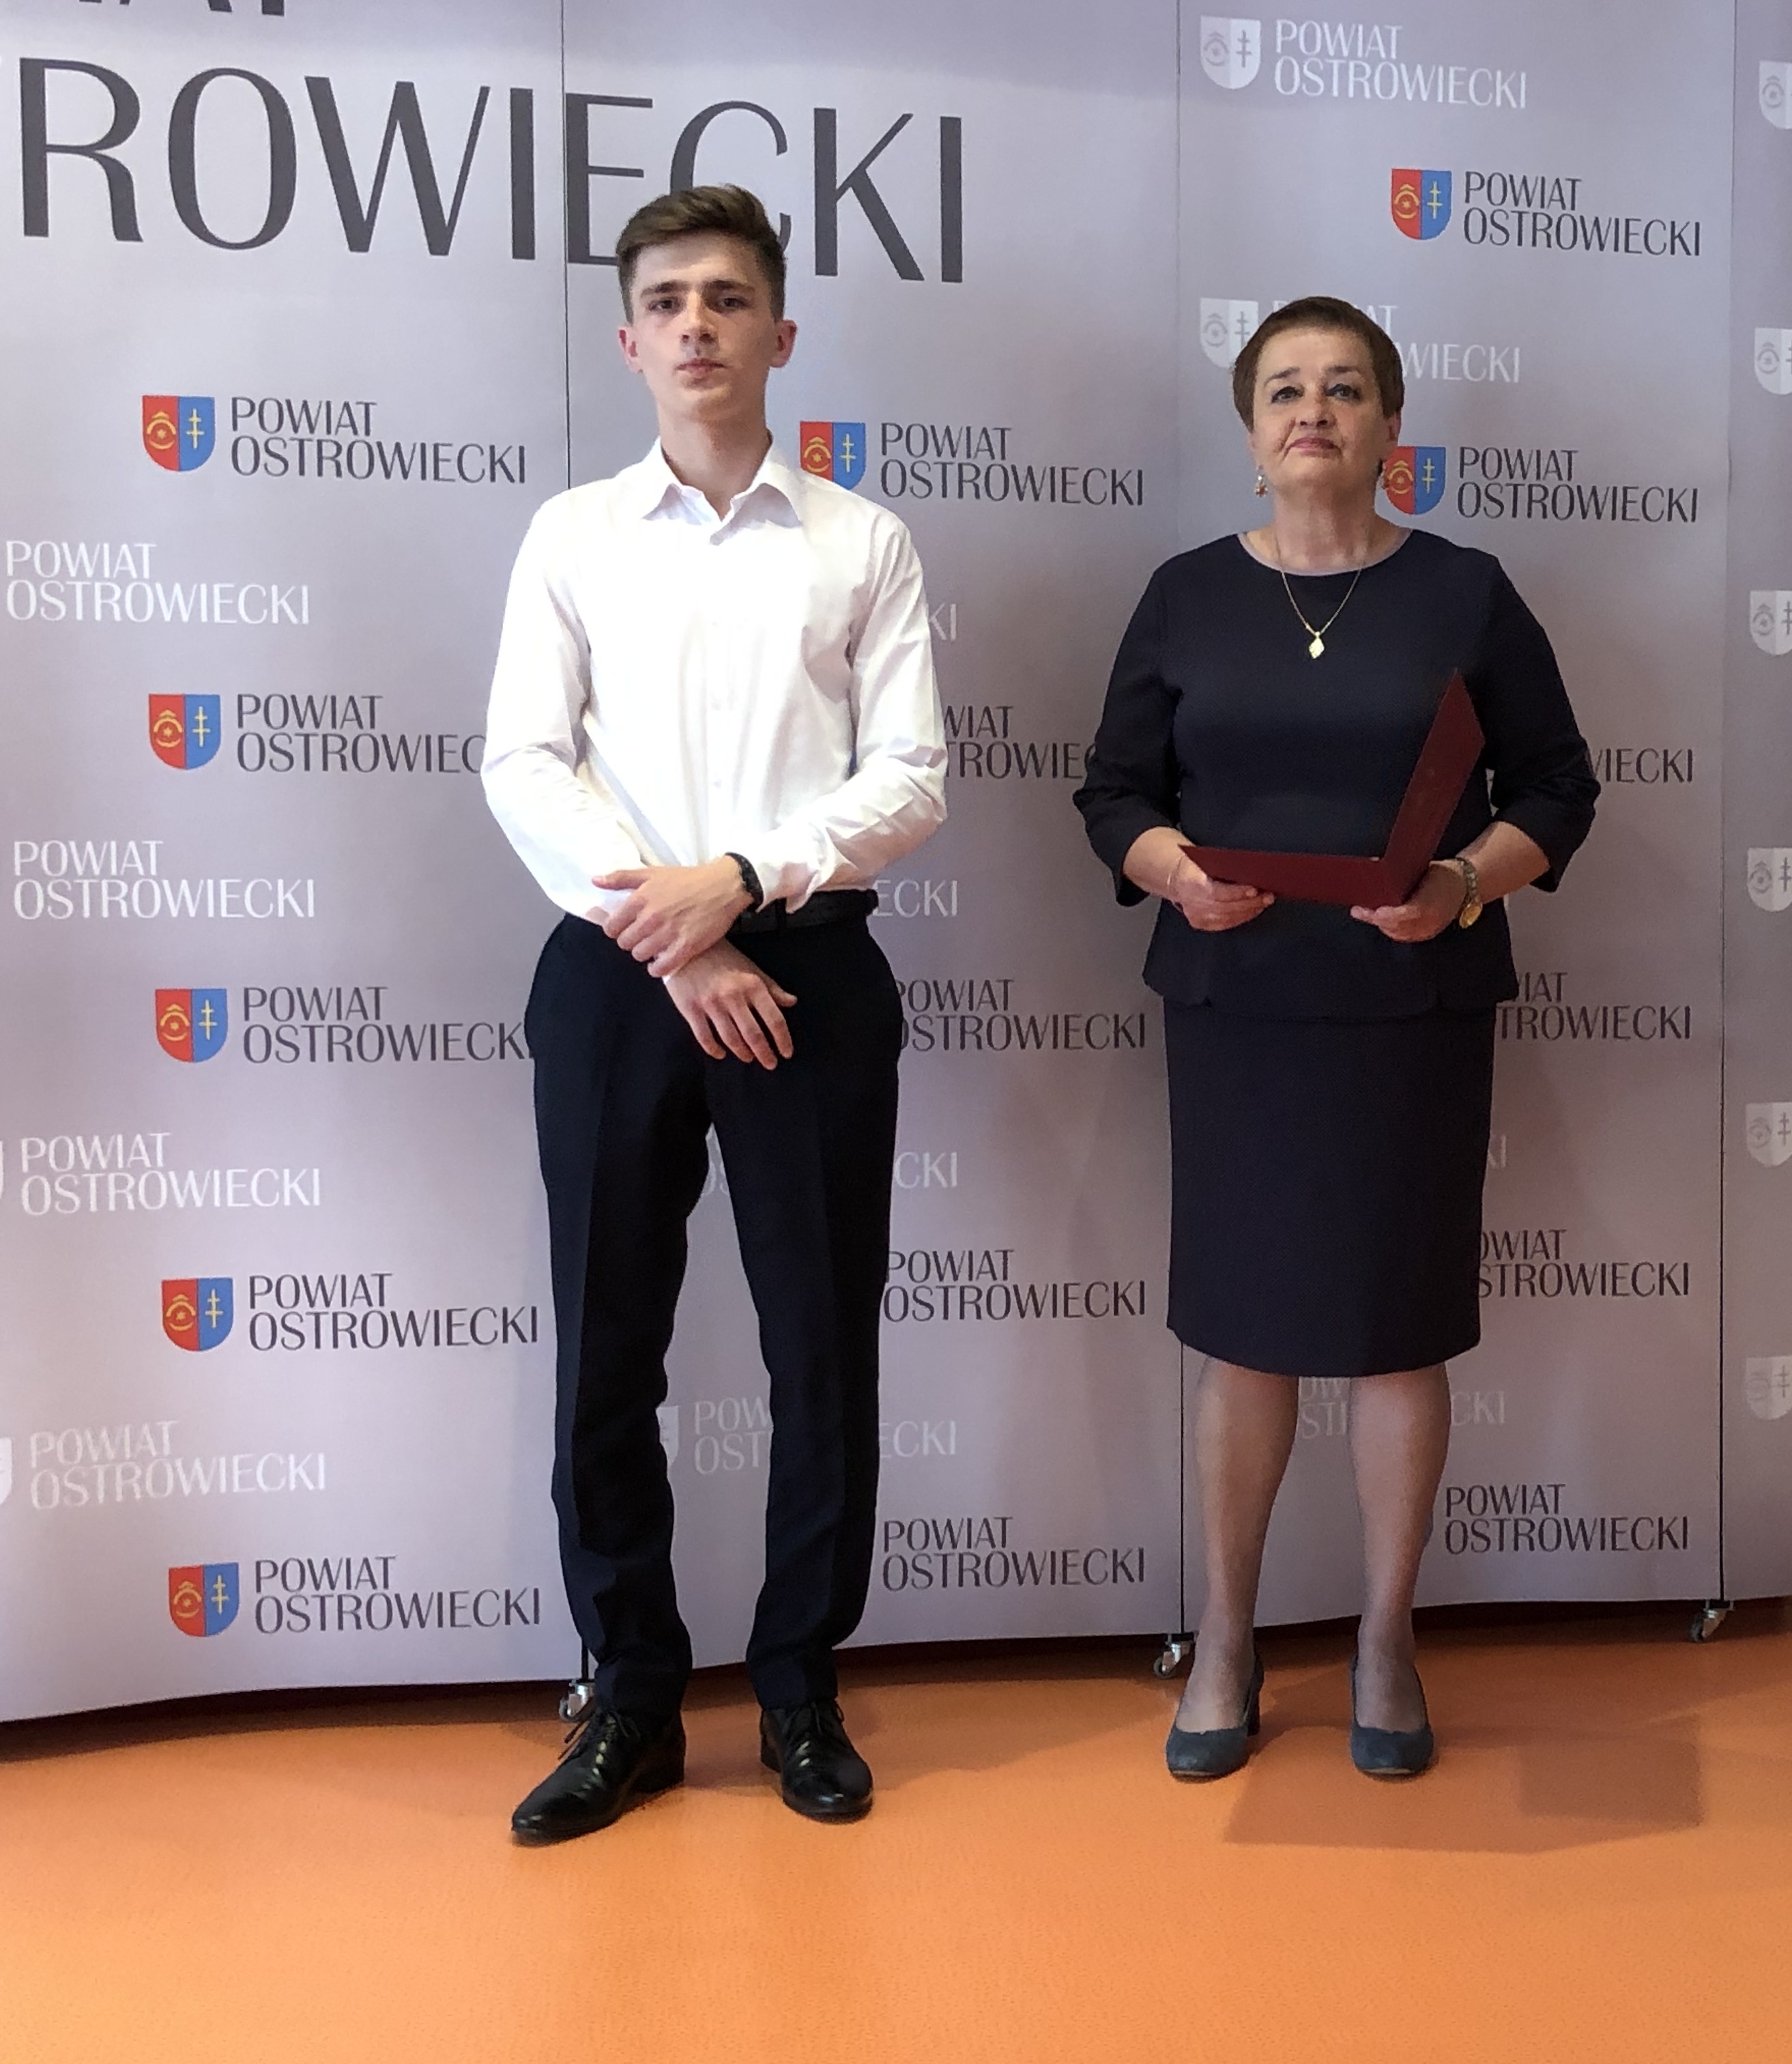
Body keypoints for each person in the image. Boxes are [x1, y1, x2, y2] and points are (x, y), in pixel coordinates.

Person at [1073, 297, 1598, 1782]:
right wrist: (1174, 871)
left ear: (1391, 427)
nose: (1315, 410)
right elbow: (1113, 794)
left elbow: (1558, 789)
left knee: (1393, 1332)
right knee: (1243, 1335)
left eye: (1347, 388)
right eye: (1287, 390)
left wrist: (1462, 886)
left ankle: (1384, 1636)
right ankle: (1226, 1642)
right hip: (1237, 1012)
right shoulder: (1184, 594)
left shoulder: (1466, 593)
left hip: (1408, 1015)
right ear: (1251, 434)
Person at [482, 184, 947, 1842]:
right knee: (608, 1342)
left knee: (821, 1342)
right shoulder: (572, 535)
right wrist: (675, 934)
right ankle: (631, 1698)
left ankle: (801, 1688)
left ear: (780, 332)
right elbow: (522, 761)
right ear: (629, 341)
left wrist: (740, 885)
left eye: (728, 298)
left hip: (808, 969)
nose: (698, 324)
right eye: (669, 300)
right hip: (618, 976)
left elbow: (911, 777)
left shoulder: (861, 541)